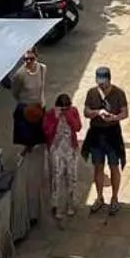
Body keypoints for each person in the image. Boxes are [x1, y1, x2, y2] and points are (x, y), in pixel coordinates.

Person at [82, 66, 129, 216]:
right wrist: (97, 112)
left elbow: (125, 113)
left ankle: (114, 198)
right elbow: (86, 112)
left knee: (114, 166)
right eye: (99, 82)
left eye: (104, 82)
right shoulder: (92, 92)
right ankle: (99, 197)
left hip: (113, 134)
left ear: (109, 79)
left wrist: (114, 117)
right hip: (96, 134)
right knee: (98, 167)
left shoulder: (118, 93)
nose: (101, 85)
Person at [41, 93, 82, 224]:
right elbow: (46, 132)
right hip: (56, 149)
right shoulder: (50, 114)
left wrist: (69, 117)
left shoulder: (73, 111)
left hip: (70, 149)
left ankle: (70, 203)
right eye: (62, 108)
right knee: (56, 178)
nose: (64, 110)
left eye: (66, 108)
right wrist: (56, 118)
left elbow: (78, 127)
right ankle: (56, 206)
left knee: (71, 177)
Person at [11, 47, 48, 145]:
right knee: (27, 136)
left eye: (31, 58)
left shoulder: (42, 68)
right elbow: (15, 92)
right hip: (26, 108)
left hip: (40, 106)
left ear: (36, 57)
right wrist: (25, 101)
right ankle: (28, 148)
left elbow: (42, 86)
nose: (28, 61)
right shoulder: (19, 74)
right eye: (25, 59)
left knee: (40, 134)